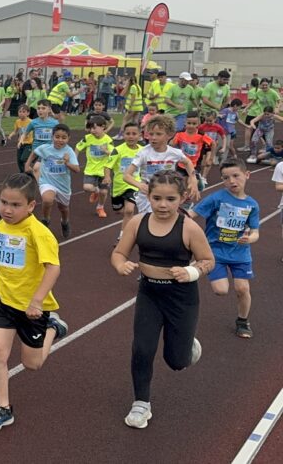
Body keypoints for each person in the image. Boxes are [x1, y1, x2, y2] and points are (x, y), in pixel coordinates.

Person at [110, 170, 215, 429]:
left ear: (182, 198)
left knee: (177, 361)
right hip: (150, 294)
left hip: (181, 297)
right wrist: (120, 264)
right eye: (157, 198)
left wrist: (191, 272)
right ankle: (141, 403)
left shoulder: (188, 227)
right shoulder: (137, 222)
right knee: (142, 349)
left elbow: (208, 260)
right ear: (148, 196)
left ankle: (187, 346)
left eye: (170, 199)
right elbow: (119, 253)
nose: (163, 205)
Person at [0, 173, 68, 432]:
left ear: (30, 206)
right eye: (4, 202)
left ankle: (53, 328)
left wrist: (37, 301)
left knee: (32, 364)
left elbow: (53, 268)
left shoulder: (39, 233)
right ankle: (3, 409)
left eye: (15, 205)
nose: (7, 209)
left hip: (32, 309)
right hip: (5, 302)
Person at [187, 160, 260, 338]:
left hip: (240, 253)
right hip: (215, 252)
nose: (231, 181)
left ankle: (243, 322)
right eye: (226, 178)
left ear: (247, 175)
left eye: (236, 176)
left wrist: (249, 238)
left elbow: (255, 232)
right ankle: (195, 265)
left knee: (242, 289)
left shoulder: (252, 205)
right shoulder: (216, 198)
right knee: (221, 290)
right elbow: (191, 215)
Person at [124, 115, 200, 215]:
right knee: (150, 220)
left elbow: (188, 162)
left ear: (169, 135)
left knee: (167, 219)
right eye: (151, 134)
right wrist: (139, 185)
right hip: (148, 195)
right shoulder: (143, 153)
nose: (153, 138)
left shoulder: (175, 153)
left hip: (168, 192)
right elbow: (126, 176)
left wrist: (193, 178)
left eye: (158, 134)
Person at [24, 124, 79, 237]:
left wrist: (67, 163)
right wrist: (27, 164)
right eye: (57, 137)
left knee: (63, 208)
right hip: (47, 181)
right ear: (52, 137)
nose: (60, 140)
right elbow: (35, 152)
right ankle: (45, 220)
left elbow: (77, 170)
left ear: (68, 138)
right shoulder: (45, 148)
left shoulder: (69, 152)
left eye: (63, 138)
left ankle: (65, 222)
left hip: (63, 185)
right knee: (47, 200)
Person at [105, 122, 144, 241]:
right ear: (123, 135)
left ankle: (122, 237)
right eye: (128, 134)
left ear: (140, 135)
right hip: (118, 186)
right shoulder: (117, 150)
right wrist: (107, 177)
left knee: (129, 210)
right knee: (119, 210)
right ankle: (131, 219)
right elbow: (108, 166)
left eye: (134, 134)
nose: (131, 136)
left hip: (133, 184)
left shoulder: (143, 150)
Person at [75, 116, 113, 218]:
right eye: (90, 128)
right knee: (87, 187)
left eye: (94, 128)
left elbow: (113, 154)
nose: (92, 130)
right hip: (90, 169)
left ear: (103, 127)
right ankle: (96, 191)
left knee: (104, 192)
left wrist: (106, 151)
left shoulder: (108, 140)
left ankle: (100, 207)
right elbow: (78, 148)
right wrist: (75, 160)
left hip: (104, 170)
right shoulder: (87, 138)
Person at [9, 105, 33, 174]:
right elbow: (15, 131)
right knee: (19, 160)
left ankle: (32, 170)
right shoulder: (17, 121)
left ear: (28, 113)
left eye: (23, 112)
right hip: (20, 143)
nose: (21, 113)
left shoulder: (31, 122)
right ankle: (23, 173)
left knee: (23, 158)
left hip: (29, 144)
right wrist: (11, 135)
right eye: (20, 111)